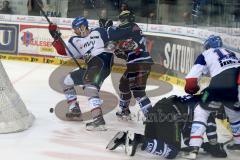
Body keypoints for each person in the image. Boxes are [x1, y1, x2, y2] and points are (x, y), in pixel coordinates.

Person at [106, 94, 227, 159]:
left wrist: (202, 145)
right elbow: (212, 133)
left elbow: (187, 136)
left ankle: (128, 137)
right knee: (173, 151)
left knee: (156, 142)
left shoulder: (197, 100)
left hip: (157, 110)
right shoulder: (207, 110)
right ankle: (139, 139)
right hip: (170, 113)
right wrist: (213, 146)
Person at [48, 17, 114, 131]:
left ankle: (98, 121)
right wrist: (56, 37)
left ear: (83, 27)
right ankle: (74, 108)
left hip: (102, 61)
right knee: (65, 81)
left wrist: (109, 28)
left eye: (76, 29)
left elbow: (115, 38)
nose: (75, 31)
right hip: (91, 67)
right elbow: (63, 51)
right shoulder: (75, 40)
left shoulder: (99, 31)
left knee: (90, 87)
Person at [184, 35, 240, 159]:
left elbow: (190, 80)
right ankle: (238, 143)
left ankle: (194, 147)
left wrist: (193, 90)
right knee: (234, 113)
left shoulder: (205, 54)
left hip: (218, 87)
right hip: (237, 87)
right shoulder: (232, 53)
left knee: (201, 110)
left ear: (208, 46)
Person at [103, 10, 154, 119]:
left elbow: (114, 34)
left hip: (139, 64)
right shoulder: (131, 32)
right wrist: (117, 50)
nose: (120, 22)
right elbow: (126, 53)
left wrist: (106, 28)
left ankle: (151, 118)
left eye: (121, 19)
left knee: (138, 91)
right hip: (136, 64)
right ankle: (124, 110)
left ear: (126, 19)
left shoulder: (131, 27)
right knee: (124, 84)